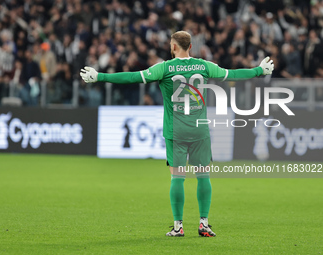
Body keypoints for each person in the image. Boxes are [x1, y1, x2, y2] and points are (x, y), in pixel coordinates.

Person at [80, 31, 274, 237]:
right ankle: (204, 223)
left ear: (173, 47)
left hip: (176, 131)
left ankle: (178, 226)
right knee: (203, 176)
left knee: (177, 177)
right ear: (190, 47)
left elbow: (132, 77)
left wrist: (100, 76)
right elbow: (233, 74)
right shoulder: (204, 66)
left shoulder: (164, 68)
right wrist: (259, 70)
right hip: (200, 129)